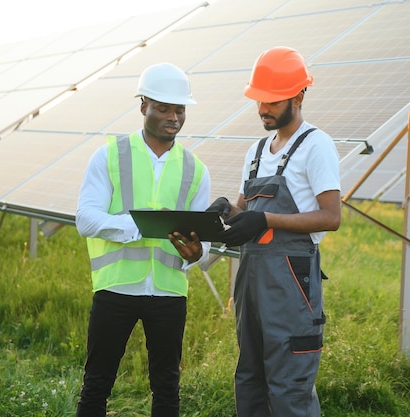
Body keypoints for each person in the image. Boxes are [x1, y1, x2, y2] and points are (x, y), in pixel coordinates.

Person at [208, 46, 341, 417]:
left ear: (298, 96)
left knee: (289, 391)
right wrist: (226, 211)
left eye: (272, 100)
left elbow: (331, 216)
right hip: (251, 283)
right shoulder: (255, 151)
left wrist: (266, 221)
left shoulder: (317, 145)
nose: (263, 109)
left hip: (292, 286)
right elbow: (245, 213)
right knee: (250, 380)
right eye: (259, 100)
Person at [75, 62, 211, 417]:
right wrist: (137, 227)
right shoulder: (109, 155)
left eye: (179, 109)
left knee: (167, 388)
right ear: (143, 107)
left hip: (168, 293)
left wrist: (197, 253)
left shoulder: (196, 169)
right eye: (163, 108)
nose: (173, 117)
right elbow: (86, 218)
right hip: (116, 290)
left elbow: (203, 239)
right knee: (96, 385)